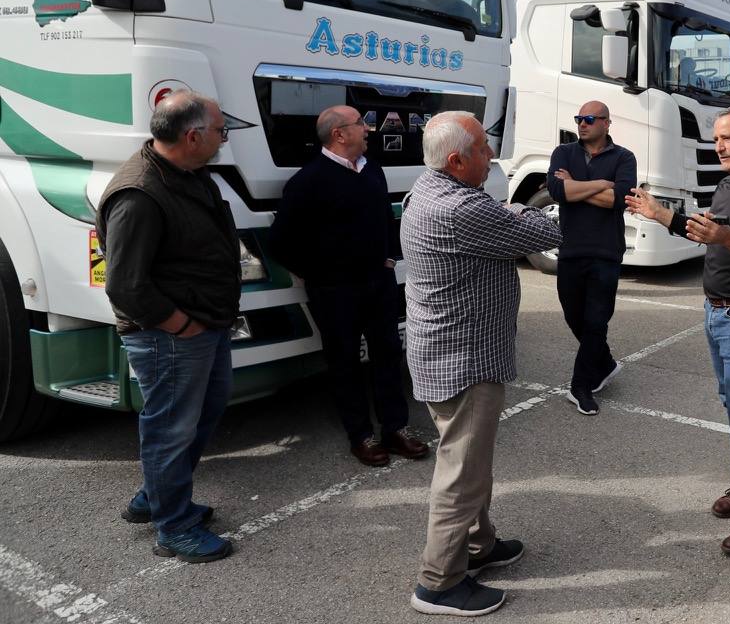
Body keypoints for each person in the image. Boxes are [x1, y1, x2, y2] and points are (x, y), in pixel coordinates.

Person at [402, 111, 562, 617]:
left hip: (449, 352)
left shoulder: (430, 189)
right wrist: (516, 215)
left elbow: (507, 218)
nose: (492, 155)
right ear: (456, 160)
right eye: (482, 149)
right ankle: (439, 582)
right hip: (463, 360)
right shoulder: (458, 209)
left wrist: (509, 213)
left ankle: (478, 547)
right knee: (461, 475)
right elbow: (542, 232)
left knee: (469, 464)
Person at [626, 105, 730, 557]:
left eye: (727, 139)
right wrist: (660, 215)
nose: (718, 146)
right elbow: (708, 233)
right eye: (716, 139)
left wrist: (729, 240)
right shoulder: (728, 184)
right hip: (717, 311)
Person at [96, 92, 239, 563]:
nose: (224, 137)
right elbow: (125, 284)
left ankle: (155, 497)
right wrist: (181, 325)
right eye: (221, 130)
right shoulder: (140, 193)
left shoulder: (185, 172)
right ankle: (173, 527)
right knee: (171, 428)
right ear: (193, 136)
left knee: (201, 414)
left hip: (205, 325)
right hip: (170, 335)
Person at [271, 106, 428, 467]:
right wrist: (316, 273)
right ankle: (361, 435)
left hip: (378, 283)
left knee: (388, 355)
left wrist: (390, 255)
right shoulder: (307, 181)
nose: (368, 129)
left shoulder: (373, 170)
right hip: (335, 291)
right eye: (361, 123)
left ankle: (395, 429)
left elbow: (386, 217)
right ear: (339, 134)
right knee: (344, 362)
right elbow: (282, 241)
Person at [545, 100, 637, 416]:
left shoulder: (624, 157)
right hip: (570, 249)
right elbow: (557, 191)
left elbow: (619, 199)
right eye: (579, 118)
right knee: (575, 318)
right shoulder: (563, 152)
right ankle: (606, 363)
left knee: (597, 321)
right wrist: (600, 184)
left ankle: (580, 386)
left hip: (606, 252)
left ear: (606, 123)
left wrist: (576, 185)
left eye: (589, 119)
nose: (582, 124)